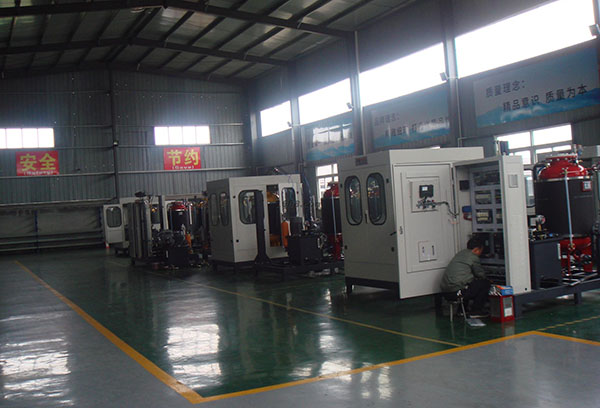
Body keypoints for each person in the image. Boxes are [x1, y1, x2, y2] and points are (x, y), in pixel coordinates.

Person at [441, 237, 491, 318]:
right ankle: (476, 311)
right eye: (481, 250)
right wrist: (489, 279)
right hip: (457, 292)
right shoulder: (473, 257)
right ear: (476, 249)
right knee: (484, 284)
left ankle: (462, 310)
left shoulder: (460, 254)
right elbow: (480, 274)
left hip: (446, 292)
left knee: (467, 283)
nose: (480, 253)